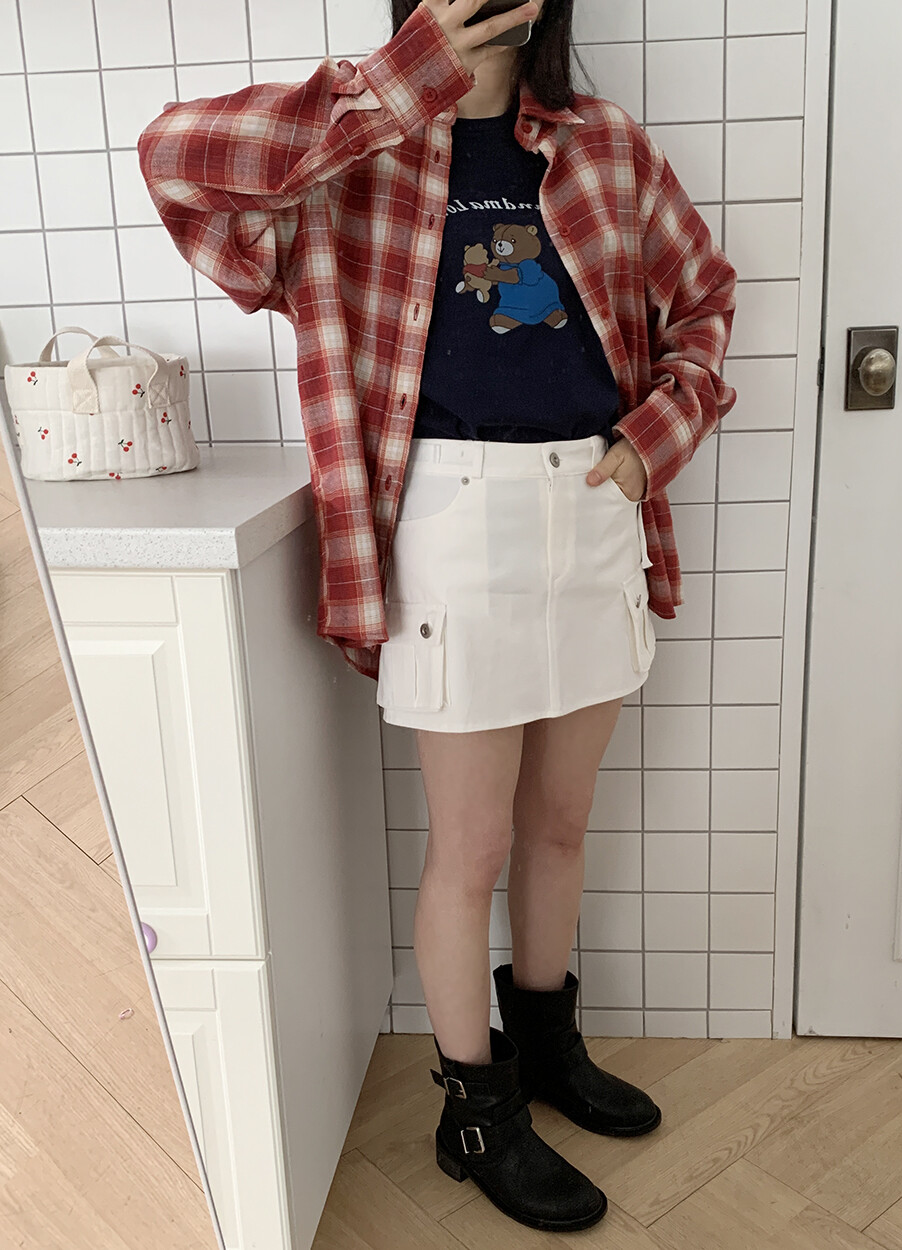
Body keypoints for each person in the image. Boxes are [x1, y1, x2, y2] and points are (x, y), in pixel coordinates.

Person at [138, 0, 738, 1232]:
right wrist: (396, 81)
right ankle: (473, 1110)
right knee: (469, 846)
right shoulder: (351, 151)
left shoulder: (603, 146)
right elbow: (175, 159)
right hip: (450, 521)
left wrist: (651, 442)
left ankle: (547, 1047)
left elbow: (704, 299)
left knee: (558, 823)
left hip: (595, 499)